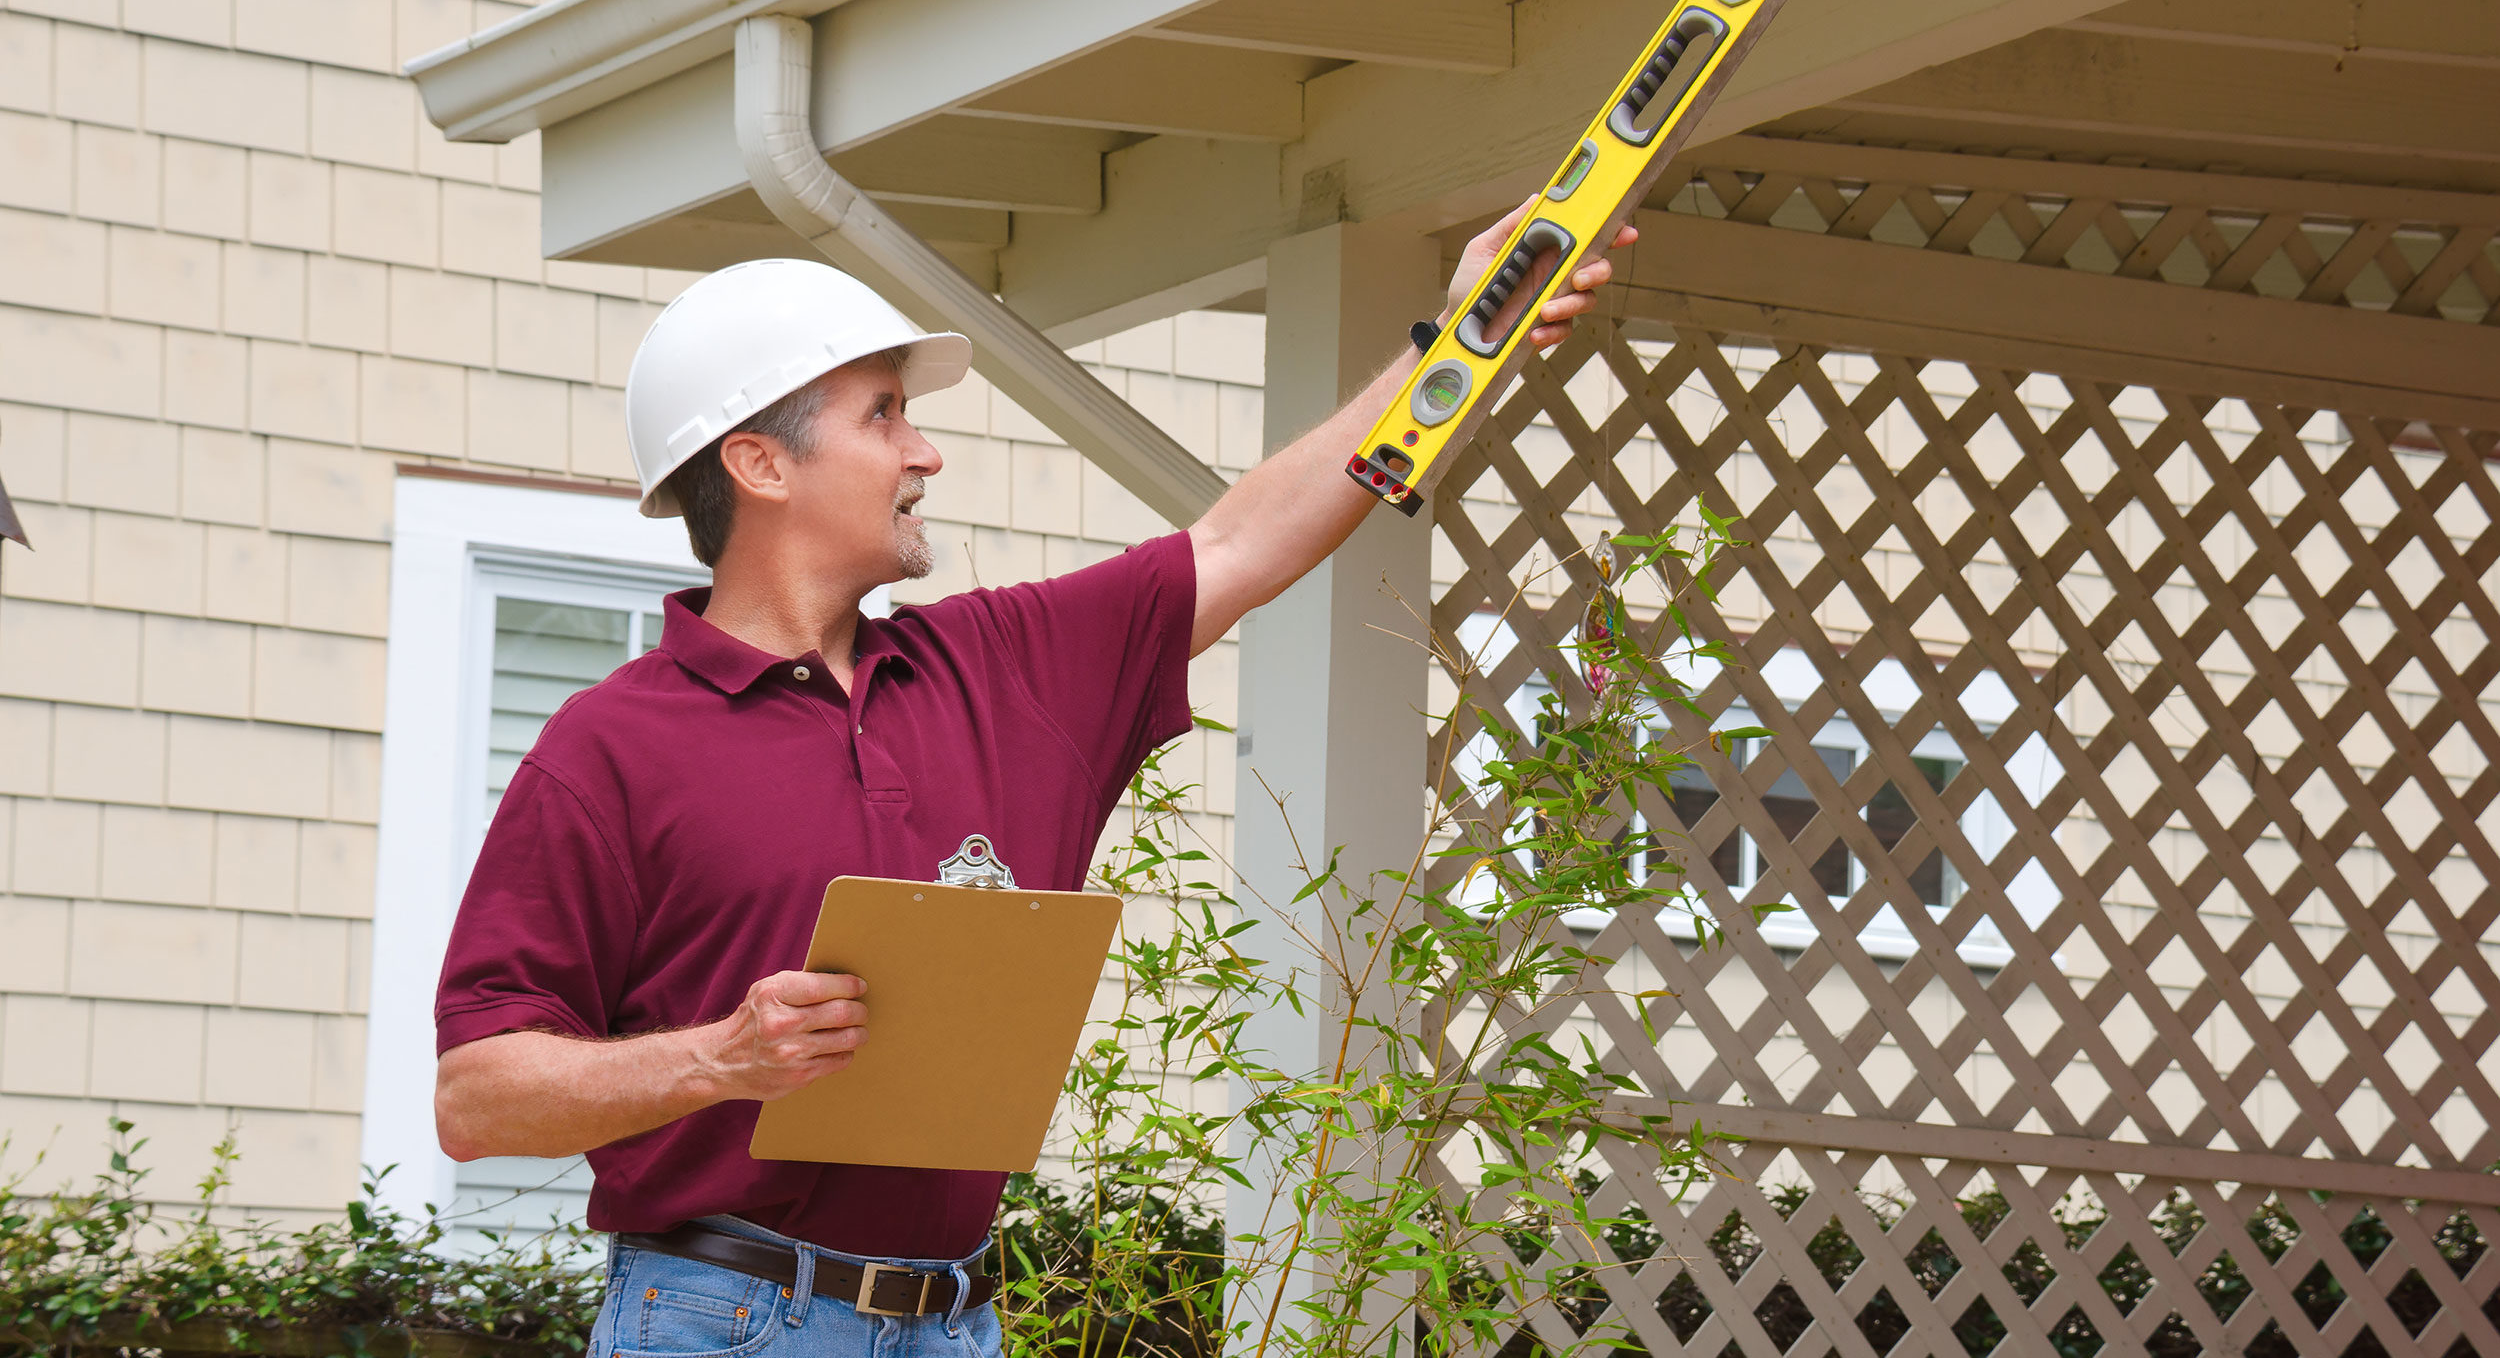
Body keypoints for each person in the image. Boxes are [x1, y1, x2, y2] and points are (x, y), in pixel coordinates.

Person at [431, 199, 1634, 1355]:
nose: (926, 452)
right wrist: (721, 1058)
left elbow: (1243, 539)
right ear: (759, 462)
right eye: (884, 415)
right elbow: (477, 1099)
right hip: (721, 1322)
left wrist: (1468, 339)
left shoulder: (1004, 669)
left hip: (956, 1322)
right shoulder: (610, 746)